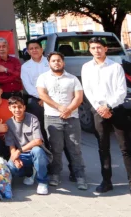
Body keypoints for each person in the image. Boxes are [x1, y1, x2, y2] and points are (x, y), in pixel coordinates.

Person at [81, 37, 131, 199]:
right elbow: (87, 90)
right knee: (103, 147)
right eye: (93, 48)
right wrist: (99, 108)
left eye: (99, 47)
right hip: (98, 111)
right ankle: (106, 181)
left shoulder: (115, 67)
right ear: (90, 50)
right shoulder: (86, 67)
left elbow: (121, 91)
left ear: (105, 49)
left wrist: (108, 106)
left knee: (125, 148)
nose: (96, 50)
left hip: (116, 109)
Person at [37, 51, 87, 190]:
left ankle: (80, 176)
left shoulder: (72, 79)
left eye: (59, 60)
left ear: (63, 62)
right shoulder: (43, 78)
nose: (56, 63)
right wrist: (59, 107)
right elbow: (42, 95)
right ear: (49, 63)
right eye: (53, 61)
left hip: (72, 118)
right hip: (52, 117)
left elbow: (79, 97)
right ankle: (55, 174)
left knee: (75, 148)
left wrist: (69, 110)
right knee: (55, 148)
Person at [5, 95, 51, 195]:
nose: (17, 110)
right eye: (14, 107)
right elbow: (11, 145)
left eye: (20, 107)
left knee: (37, 150)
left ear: (24, 107)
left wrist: (19, 150)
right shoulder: (9, 123)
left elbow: (38, 141)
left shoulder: (32, 119)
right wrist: (15, 158)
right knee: (11, 168)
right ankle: (29, 173)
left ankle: (42, 181)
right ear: (9, 108)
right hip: (21, 155)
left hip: (35, 154)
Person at [21, 39, 51, 138]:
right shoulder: (25, 66)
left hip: (52, 97)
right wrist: (42, 97)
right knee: (39, 127)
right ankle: (44, 149)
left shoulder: (50, 61)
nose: (34, 50)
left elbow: (55, 81)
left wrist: (46, 98)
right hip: (36, 99)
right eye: (31, 49)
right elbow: (28, 86)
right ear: (28, 51)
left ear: (42, 49)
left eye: (36, 48)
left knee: (54, 127)